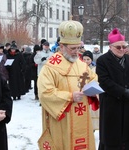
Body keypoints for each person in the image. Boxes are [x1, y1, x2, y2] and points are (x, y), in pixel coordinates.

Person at [37, 20, 98, 150]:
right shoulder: (50, 67)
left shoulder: (81, 64)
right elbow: (45, 93)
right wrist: (70, 96)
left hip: (82, 118)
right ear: (62, 46)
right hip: (63, 121)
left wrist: (92, 89)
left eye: (78, 48)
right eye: (73, 49)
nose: (77, 52)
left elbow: (93, 78)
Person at [96, 28, 129, 150]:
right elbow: (104, 81)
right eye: (118, 47)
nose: (122, 50)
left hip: (128, 105)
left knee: (127, 135)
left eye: (124, 46)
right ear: (110, 47)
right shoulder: (102, 60)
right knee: (112, 136)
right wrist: (123, 92)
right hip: (111, 103)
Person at [82, 51, 99, 131]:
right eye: (84, 59)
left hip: (94, 92)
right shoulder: (80, 68)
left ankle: (94, 127)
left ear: (91, 60)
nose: (86, 61)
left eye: (88, 59)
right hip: (84, 92)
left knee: (94, 111)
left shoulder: (95, 68)